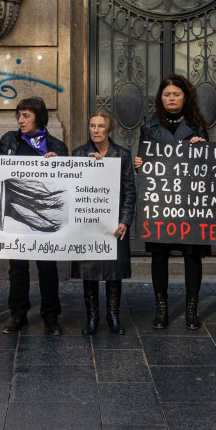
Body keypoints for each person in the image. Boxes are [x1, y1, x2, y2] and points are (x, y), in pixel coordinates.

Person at [137, 75, 211, 330]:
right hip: (161, 202)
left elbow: (210, 168)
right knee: (159, 255)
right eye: (167, 94)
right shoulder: (149, 128)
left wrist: (202, 150)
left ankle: (192, 309)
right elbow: (143, 166)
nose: (171, 98)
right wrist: (140, 165)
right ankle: (162, 308)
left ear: (185, 97)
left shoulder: (198, 127)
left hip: (190, 204)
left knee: (192, 257)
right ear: (160, 98)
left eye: (176, 94)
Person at [0, 96, 66, 335]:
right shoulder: (9, 140)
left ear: (39, 118)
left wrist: (59, 163)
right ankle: (18, 315)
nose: (21, 120)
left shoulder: (57, 146)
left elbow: (67, 182)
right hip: (17, 213)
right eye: (19, 115)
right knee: (17, 269)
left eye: (26, 116)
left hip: (45, 214)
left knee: (47, 268)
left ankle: (51, 316)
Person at [72, 106, 134, 336]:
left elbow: (129, 191)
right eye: (92, 126)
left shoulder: (122, 155)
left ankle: (113, 315)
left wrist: (125, 221)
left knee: (113, 271)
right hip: (88, 224)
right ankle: (93, 317)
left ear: (109, 129)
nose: (96, 130)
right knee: (89, 270)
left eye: (100, 126)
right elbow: (73, 188)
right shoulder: (79, 154)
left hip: (114, 223)